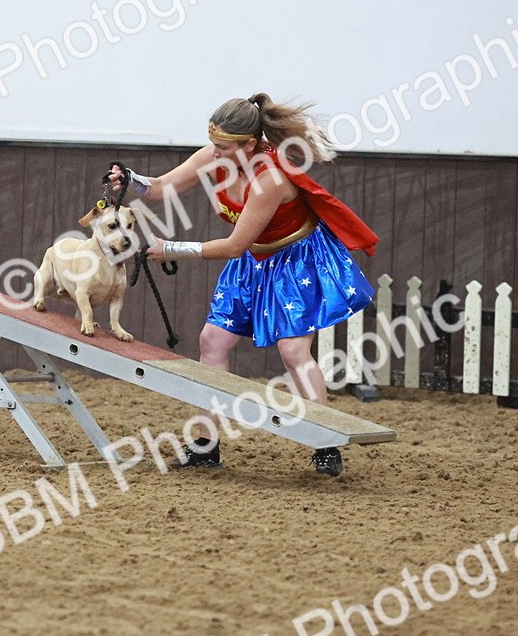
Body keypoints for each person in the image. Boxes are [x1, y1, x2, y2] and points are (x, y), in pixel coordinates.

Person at [109, 93, 379, 477]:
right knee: (212, 341)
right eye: (213, 145)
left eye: (222, 147)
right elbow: (161, 188)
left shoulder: (269, 179)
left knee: (292, 350)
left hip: (295, 260)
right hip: (254, 259)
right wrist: (130, 181)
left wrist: (169, 248)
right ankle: (205, 446)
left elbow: (234, 244)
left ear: (250, 144)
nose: (213, 153)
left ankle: (327, 442)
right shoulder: (216, 157)